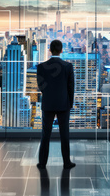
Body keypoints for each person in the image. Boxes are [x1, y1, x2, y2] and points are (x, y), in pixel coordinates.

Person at [36, 39, 76, 170]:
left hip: (48, 104)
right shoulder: (68, 66)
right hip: (64, 104)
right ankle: (66, 162)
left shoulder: (41, 67)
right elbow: (71, 87)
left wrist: (48, 95)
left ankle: (42, 163)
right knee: (64, 134)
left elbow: (41, 86)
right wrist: (69, 103)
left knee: (45, 135)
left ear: (49, 50)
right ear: (61, 50)